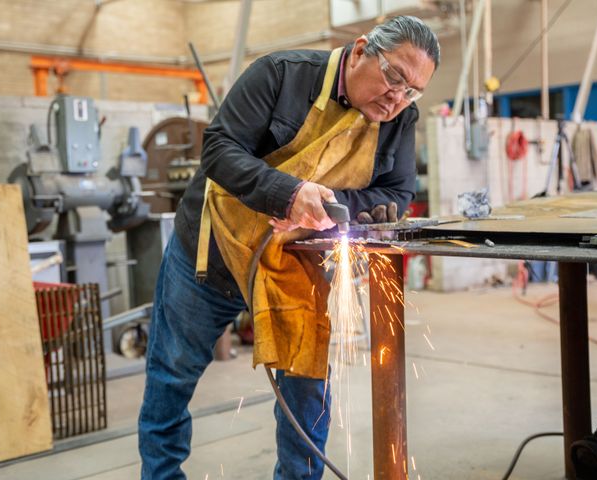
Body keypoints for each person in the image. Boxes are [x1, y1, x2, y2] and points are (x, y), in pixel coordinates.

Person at [139, 15, 440, 480]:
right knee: (171, 378)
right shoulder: (281, 74)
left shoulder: (400, 119)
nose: (396, 98)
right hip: (214, 249)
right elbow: (218, 149)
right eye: (394, 76)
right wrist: (287, 193)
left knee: (307, 389)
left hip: (298, 263)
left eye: (411, 91)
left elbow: (396, 193)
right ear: (360, 51)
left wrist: (332, 204)